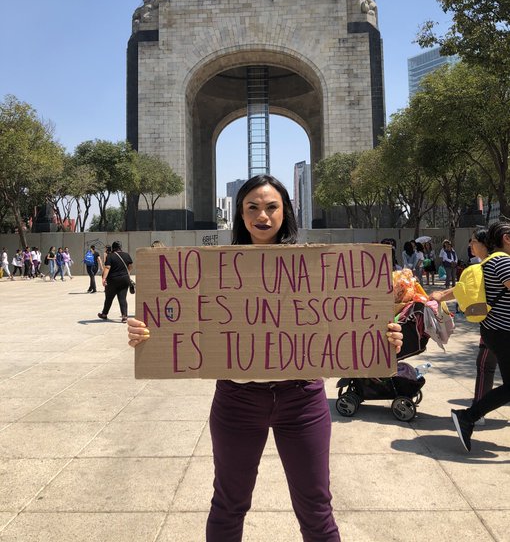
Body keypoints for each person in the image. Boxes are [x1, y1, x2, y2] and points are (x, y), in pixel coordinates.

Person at [127, 174, 403, 542]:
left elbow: (351, 323)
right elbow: (178, 318)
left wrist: (385, 338)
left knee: (317, 511)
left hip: (302, 400)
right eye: (252, 207)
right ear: (240, 216)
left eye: (271, 206)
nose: (262, 215)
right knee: (228, 505)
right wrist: (146, 334)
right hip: (236, 403)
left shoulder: (318, 268)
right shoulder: (212, 269)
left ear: (285, 211)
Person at [448, 221, 510, 451]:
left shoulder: (494, 261)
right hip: (503, 331)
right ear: (506, 238)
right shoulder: (503, 261)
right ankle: (468, 417)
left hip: (496, 330)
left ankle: (469, 416)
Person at [431, 228, 498, 426]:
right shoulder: (494, 263)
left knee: (485, 365)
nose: (470, 244)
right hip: (498, 325)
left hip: (495, 327)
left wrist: (441, 295)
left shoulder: (490, 265)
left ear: (484, 243)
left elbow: (463, 290)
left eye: (473, 241)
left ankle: (476, 413)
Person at [97, 240, 133, 323]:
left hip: (112, 280)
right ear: (120, 247)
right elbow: (130, 266)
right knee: (122, 298)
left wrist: (103, 278)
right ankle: (124, 316)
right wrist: (127, 273)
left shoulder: (110, 256)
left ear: (113, 248)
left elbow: (107, 267)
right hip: (124, 279)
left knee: (109, 298)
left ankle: (104, 314)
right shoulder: (126, 255)